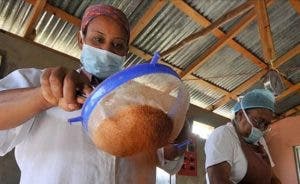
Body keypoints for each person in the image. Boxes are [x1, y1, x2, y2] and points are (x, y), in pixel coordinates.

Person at [0, 4, 186, 184]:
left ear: (125, 53)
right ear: (81, 40)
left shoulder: (140, 103)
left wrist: (178, 129)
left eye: (117, 45)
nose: (106, 50)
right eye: (98, 39)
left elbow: (167, 155)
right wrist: (44, 96)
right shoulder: (40, 82)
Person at [204, 89, 281, 184]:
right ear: (240, 115)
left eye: (266, 125)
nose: (261, 129)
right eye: (259, 121)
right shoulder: (223, 135)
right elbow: (218, 181)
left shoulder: (259, 141)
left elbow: (272, 178)